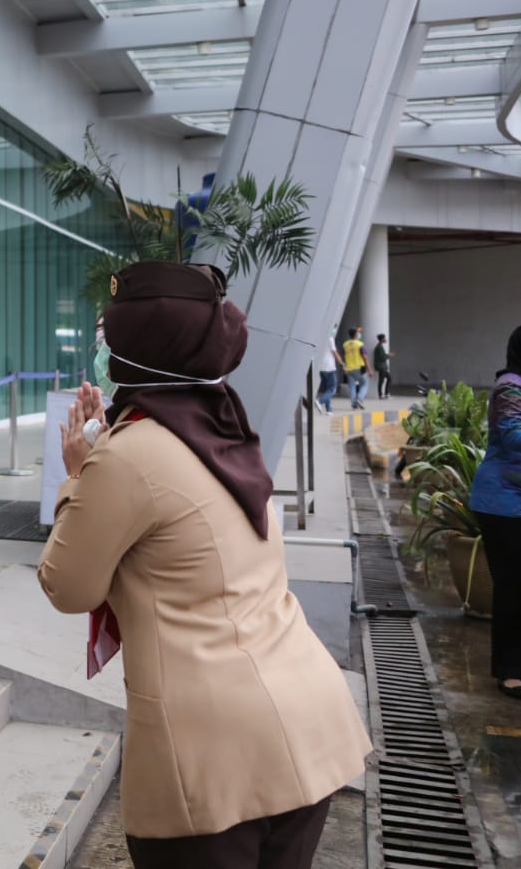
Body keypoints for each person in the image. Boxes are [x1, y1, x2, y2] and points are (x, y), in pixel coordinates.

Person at [38, 261, 371, 869]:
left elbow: (68, 585)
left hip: (214, 757)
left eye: (109, 336)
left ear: (142, 348)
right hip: (306, 723)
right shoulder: (224, 423)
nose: (102, 349)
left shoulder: (127, 455)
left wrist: (78, 476)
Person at [467, 323, 521, 700]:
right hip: (504, 502)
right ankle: (510, 671)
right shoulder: (511, 386)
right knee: (514, 585)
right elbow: (512, 436)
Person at [315, 325, 341, 415]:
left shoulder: (319, 337)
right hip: (330, 367)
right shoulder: (330, 338)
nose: (334, 330)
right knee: (332, 389)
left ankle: (329, 410)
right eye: (334, 327)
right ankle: (320, 401)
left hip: (321, 367)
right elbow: (334, 352)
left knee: (327, 389)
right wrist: (342, 364)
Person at [342, 326, 370, 409]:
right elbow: (365, 357)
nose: (359, 334)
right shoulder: (360, 344)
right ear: (356, 334)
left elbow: (344, 356)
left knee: (352, 387)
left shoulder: (345, 344)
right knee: (364, 384)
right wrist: (369, 369)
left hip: (349, 369)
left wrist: (344, 366)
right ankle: (359, 398)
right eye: (358, 333)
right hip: (359, 368)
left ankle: (354, 404)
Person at [374, 333, 394, 399]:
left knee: (385, 379)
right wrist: (389, 355)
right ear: (382, 339)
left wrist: (387, 355)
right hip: (381, 367)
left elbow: (382, 356)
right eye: (384, 338)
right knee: (384, 380)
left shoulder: (380, 346)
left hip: (382, 367)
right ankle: (383, 394)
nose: (385, 339)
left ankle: (384, 394)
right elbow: (382, 357)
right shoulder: (379, 347)